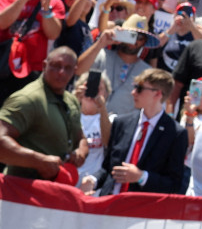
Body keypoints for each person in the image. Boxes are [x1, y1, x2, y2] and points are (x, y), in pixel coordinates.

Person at [93, 68, 187, 194]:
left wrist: (141, 177)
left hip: (140, 208)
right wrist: (93, 180)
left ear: (157, 94)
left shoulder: (175, 134)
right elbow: (108, 168)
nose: (133, 92)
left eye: (139, 88)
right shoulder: (122, 123)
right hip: (110, 202)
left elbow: (174, 185)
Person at [0, 46, 83, 180]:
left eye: (67, 68)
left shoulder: (72, 100)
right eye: (56, 66)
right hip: (21, 191)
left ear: (74, 71)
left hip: (52, 191)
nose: (61, 72)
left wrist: (81, 151)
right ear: (44, 66)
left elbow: (80, 138)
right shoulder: (28, 99)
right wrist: (39, 161)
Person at [77, 14, 157, 116]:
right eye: (130, 34)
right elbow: (78, 70)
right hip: (91, 121)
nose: (134, 40)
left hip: (123, 128)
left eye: (140, 37)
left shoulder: (147, 72)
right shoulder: (101, 54)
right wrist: (100, 43)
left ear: (144, 41)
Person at [74, 70, 113, 193]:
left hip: (92, 184)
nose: (93, 91)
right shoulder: (69, 114)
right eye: (88, 86)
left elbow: (108, 142)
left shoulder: (111, 119)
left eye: (99, 88)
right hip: (69, 179)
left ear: (106, 94)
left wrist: (102, 108)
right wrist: (72, 100)